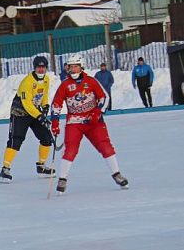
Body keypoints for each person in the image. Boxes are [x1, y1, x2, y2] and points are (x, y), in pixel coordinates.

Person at [50, 54, 128, 194]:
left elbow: (104, 97)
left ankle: (117, 174)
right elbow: (56, 104)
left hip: (94, 121)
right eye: (71, 67)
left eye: (76, 66)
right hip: (74, 122)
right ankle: (62, 179)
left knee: (106, 146)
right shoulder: (65, 85)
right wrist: (55, 122)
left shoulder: (91, 81)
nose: (73, 70)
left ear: (81, 67)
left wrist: (98, 112)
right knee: (70, 149)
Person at [0, 55, 56, 183]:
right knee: (16, 139)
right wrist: (40, 116)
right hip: (20, 112)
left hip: (34, 112)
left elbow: (44, 95)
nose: (41, 70)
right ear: (34, 68)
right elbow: (27, 104)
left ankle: (41, 166)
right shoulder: (27, 82)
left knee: (46, 138)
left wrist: (45, 106)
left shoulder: (46, 80)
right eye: (38, 67)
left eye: (43, 67)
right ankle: (5, 169)